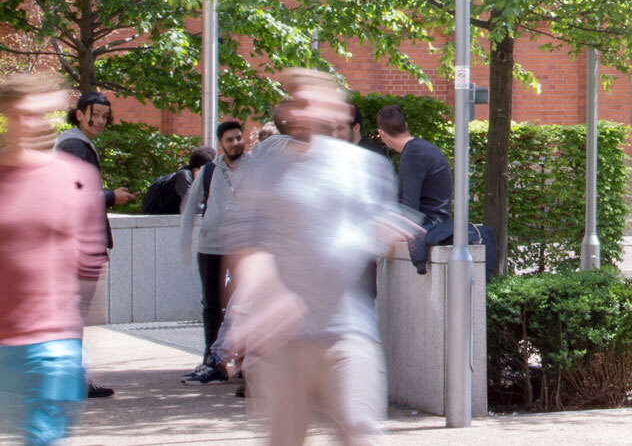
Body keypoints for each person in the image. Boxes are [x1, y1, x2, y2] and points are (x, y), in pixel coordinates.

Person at [224, 69, 416, 446]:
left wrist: (380, 232)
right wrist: (253, 309)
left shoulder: (366, 168)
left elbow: (370, 234)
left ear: (337, 110)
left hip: (346, 332)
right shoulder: (268, 168)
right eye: (296, 101)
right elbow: (250, 248)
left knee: (361, 432)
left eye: (311, 100)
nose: (301, 110)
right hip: (280, 340)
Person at [0, 73, 110, 446]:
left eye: (38, 114)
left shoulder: (72, 177)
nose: (29, 124)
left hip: (51, 344)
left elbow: (87, 257)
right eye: (20, 115)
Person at [53, 90, 129, 399]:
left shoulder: (71, 143)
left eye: (104, 116)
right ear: (79, 113)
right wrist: (112, 196)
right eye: (95, 114)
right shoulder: (74, 146)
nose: (100, 121)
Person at [181, 120, 250, 384]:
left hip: (241, 249)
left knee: (242, 306)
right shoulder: (210, 170)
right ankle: (212, 360)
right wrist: (185, 241)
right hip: (210, 248)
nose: (235, 143)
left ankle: (243, 360)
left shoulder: (255, 170)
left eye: (239, 138)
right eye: (230, 139)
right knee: (212, 305)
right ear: (221, 143)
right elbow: (190, 206)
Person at [373, 107, 451, 232]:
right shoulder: (420, 148)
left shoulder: (412, 155)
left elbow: (410, 208)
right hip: (437, 222)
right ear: (405, 125)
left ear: (381, 133)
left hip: (428, 227)